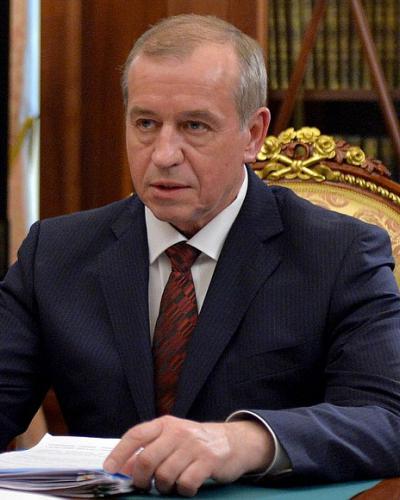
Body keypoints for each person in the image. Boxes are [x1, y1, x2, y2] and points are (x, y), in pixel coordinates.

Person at [1, 13, 400, 497]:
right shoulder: (56, 253)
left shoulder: (338, 254)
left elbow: (386, 418)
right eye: (146, 124)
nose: (163, 154)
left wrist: (243, 441)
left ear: (253, 134)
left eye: (194, 126)